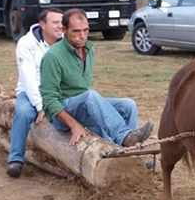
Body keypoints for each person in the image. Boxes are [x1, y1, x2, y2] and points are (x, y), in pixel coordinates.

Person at [39, 8, 153, 149]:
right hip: (63, 113)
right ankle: (124, 136)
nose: (82, 36)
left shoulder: (88, 49)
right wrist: (74, 125)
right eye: (76, 31)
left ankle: (133, 153)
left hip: (84, 105)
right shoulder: (53, 56)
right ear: (64, 30)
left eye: (85, 30)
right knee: (90, 96)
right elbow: (49, 100)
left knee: (128, 105)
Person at [7, 8, 64, 178]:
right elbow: (28, 78)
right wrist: (40, 106)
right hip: (31, 92)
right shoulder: (26, 43)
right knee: (24, 112)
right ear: (43, 24)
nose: (60, 26)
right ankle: (15, 159)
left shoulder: (66, 43)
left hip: (57, 92)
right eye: (55, 22)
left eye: (62, 22)